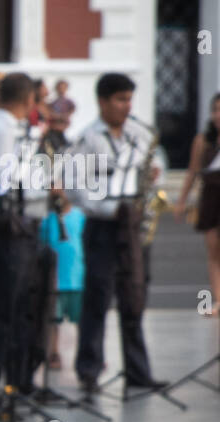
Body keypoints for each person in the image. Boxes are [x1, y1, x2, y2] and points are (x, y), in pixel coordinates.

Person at [62, 72, 166, 396]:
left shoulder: (138, 133)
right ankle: (89, 370)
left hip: (132, 225)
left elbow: (155, 166)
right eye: (120, 99)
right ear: (102, 102)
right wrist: (105, 208)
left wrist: (154, 180)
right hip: (104, 226)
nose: (126, 106)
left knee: (134, 298)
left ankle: (138, 370)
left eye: (129, 99)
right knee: (97, 298)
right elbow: (74, 186)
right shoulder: (88, 138)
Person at [0, 73, 52, 403]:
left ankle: (19, 378)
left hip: (24, 227)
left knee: (23, 307)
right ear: (28, 100)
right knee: (1, 308)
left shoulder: (16, 129)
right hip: (7, 227)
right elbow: (3, 180)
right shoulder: (1, 129)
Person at [174, 92, 220, 312]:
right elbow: (192, 172)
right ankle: (217, 301)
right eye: (216, 110)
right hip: (211, 195)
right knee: (214, 252)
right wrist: (182, 200)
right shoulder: (203, 140)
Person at [40, 195, 86, 370]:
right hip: (55, 281)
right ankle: (53, 352)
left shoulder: (80, 216)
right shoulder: (48, 220)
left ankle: (86, 353)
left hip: (77, 279)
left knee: (81, 319)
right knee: (53, 321)